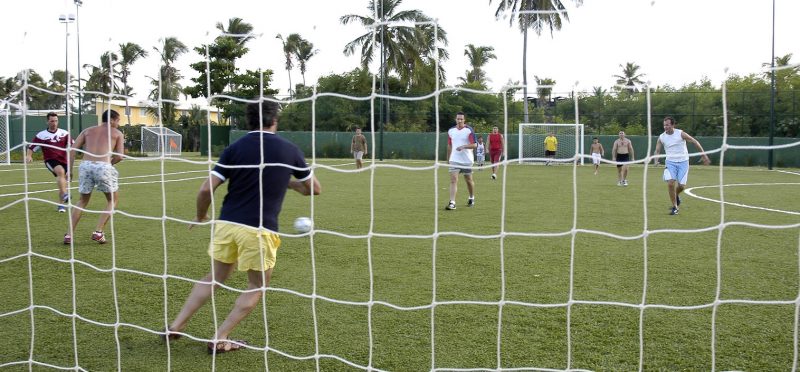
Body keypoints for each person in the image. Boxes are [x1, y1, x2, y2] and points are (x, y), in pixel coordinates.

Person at [165, 99, 321, 354]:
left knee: (214, 277)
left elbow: (206, 188)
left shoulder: (234, 148)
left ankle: (177, 324)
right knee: (257, 286)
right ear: (275, 120)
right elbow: (314, 189)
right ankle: (220, 337)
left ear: (248, 121)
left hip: (227, 224)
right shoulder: (289, 150)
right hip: (259, 230)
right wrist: (289, 183)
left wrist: (200, 216)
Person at [65, 109, 124, 244]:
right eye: (118, 121)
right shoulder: (117, 133)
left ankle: (69, 235)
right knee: (112, 200)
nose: (118, 124)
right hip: (103, 167)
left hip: (85, 166)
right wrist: (109, 163)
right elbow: (120, 156)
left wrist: (70, 170)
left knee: (82, 201)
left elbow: (72, 150)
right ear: (112, 120)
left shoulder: (87, 130)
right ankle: (98, 232)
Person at [653, 116, 710, 215]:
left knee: (682, 186)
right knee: (671, 183)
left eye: (667, 125)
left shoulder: (680, 133)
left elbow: (694, 141)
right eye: (664, 125)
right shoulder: (662, 137)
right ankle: (675, 207)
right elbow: (657, 150)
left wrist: (703, 155)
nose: (665, 127)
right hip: (670, 163)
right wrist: (656, 159)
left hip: (683, 162)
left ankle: (676, 195)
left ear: (673, 125)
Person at [26, 112, 74, 212]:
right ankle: (65, 195)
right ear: (47, 121)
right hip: (50, 160)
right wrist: (29, 156)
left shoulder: (64, 133)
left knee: (63, 181)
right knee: (60, 172)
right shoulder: (41, 135)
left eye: (56, 121)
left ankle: (61, 205)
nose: (54, 123)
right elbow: (31, 147)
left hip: (64, 160)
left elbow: (73, 145)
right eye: (52, 121)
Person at [445, 112, 476, 210]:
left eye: (461, 119)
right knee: (453, 180)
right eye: (458, 119)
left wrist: (464, 146)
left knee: (468, 180)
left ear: (464, 120)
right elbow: (449, 145)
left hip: (467, 160)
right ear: (455, 119)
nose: (459, 121)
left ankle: (471, 197)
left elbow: (474, 145)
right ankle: (452, 202)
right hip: (454, 159)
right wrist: (448, 159)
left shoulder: (469, 130)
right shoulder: (451, 131)